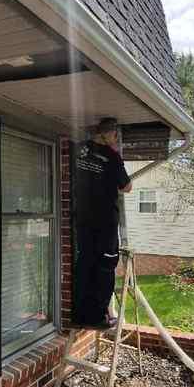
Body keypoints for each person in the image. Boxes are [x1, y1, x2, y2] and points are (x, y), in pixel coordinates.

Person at [72, 118, 132, 329]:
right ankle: (98, 317)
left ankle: (79, 314)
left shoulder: (78, 150)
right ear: (108, 134)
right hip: (105, 222)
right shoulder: (112, 156)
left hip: (82, 220)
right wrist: (114, 152)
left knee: (85, 263)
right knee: (105, 266)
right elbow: (126, 187)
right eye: (115, 136)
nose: (115, 140)